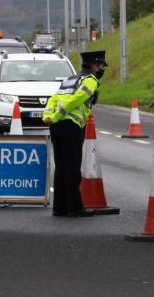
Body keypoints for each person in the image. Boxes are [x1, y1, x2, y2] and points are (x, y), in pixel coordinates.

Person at [43, 50, 107, 217]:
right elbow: (78, 98)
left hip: (56, 127)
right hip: (71, 126)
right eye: (100, 66)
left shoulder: (69, 79)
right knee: (72, 167)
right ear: (94, 66)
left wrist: (48, 116)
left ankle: (60, 207)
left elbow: (53, 99)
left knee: (61, 166)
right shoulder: (90, 81)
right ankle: (74, 208)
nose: (101, 69)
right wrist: (58, 115)